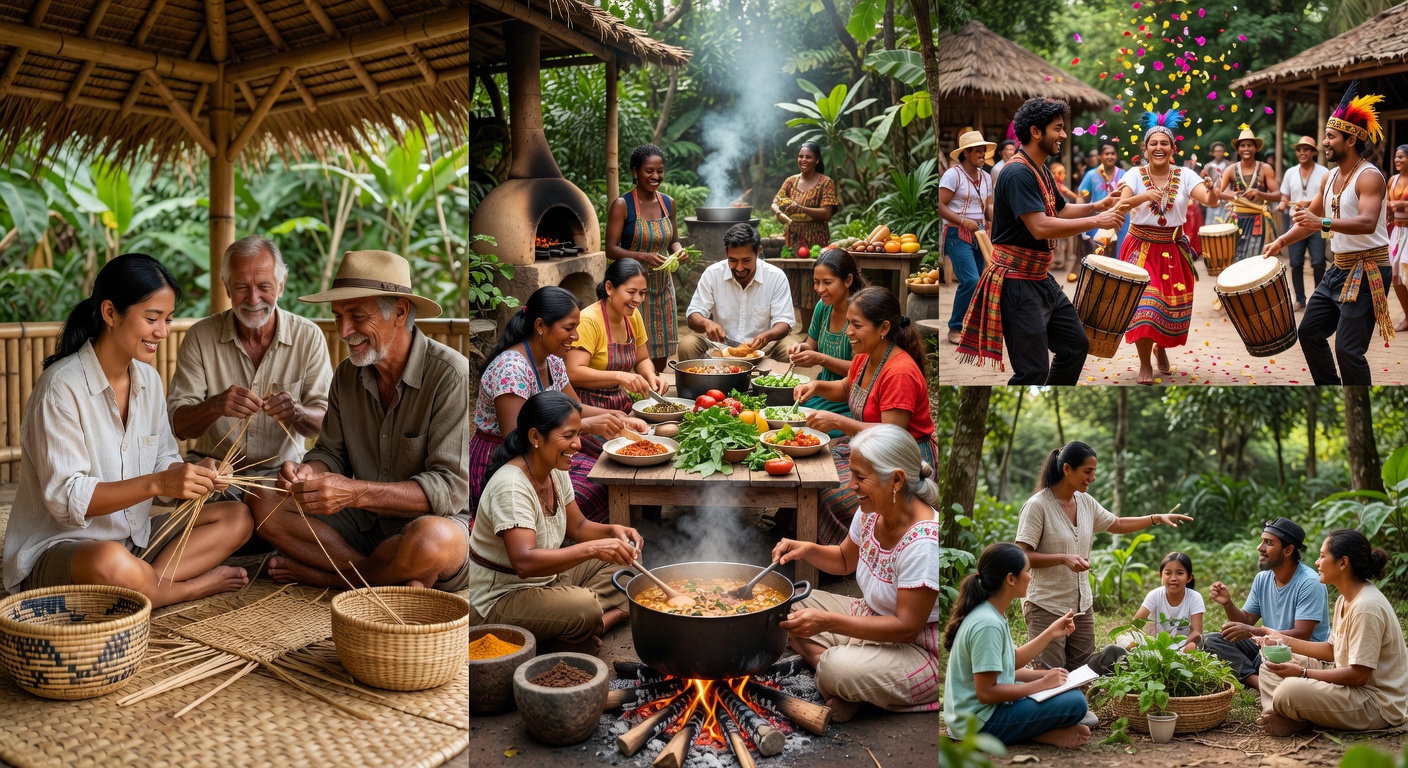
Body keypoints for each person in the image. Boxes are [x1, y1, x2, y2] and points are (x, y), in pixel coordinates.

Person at [2, 254, 253, 605]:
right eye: (152, 318)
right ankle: (186, 588)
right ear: (110, 314)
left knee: (237, 516)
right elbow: (66, 498)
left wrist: (191, 475)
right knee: (110, 561)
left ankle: (144, 585)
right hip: (64, 550)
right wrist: (157, 484)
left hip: (134, 543)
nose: (163, 332)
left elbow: (163, 461)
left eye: (167, 319)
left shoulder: (148, 380)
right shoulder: (61, 387)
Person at [257, 250, 471, 590]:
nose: (344, 330)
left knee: (432, 542)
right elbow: (331, 453)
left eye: (357, 316)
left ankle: (327, 576)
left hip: (426, 526)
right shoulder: (346, 375)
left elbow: (449, 489)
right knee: (262, 499)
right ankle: (384, 577)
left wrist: (355, 493)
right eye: (339, 316)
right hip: (363, 527)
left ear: (400, 312)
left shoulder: (450, 374)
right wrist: (307, 473)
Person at [771, 425, 941, 721]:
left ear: (896, 480)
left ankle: (841, 678)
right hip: (870, 614)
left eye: (860, 477)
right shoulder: (872, 509)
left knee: (837, 669)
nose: (850, 485)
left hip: (918, 649)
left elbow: (906, 628)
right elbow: (844, 559)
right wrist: (807, 549)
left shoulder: (924, 543)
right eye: (851, 474)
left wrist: (829, 623)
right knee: (785, 601)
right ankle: (849, 684)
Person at [954, 98, 1124, 384]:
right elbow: (1040, 227)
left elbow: (1060, 210)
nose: (1064, 135)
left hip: (1039, 277)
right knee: (1032, 371)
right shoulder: (1018, 172)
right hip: (1017, 283)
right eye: (1058, 128)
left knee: (1075, 346)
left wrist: (1098, 206)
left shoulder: (1040, 168)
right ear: (1036, 132)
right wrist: (1097, 222)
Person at [467, 392, 643, 654]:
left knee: (630, 566)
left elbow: (579, 527)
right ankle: (575, 626)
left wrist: (613, 532)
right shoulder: (512, 486)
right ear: (536, 437)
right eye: (568, 436)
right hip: (500, 598)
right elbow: (524, 563)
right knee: (585, 606)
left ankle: (582, 630)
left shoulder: (554, 470)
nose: (578, 445)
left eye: (578, 434)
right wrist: (595, 549)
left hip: (546, 581)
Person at [167, 236, 332, 513]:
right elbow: (178, 425)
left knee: (273, 511)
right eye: (242, 287)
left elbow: (327, 421)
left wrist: (298, 413)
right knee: (224, 515)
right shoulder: (200, 336)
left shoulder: (308, 337)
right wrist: (216, 405)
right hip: (214, 473)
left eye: (264, 287)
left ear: (281, 285)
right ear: (227, 287)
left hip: (282, 476)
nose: (253, 299)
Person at [469, 287, 647, 521]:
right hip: (508, 462)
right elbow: (516, 438)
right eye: (568, 328)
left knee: (609, 477)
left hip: (544, 453)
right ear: (541, 326)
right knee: (593, 492)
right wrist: (586, 426)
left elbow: (575, 408)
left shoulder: (552, 362)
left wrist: (617, 416)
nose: (575, 336)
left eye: (576, 327)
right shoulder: (511, 370)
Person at [1015, 441, 1193, 670]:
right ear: (1067, 469)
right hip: (1046, 605)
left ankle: (1078, 706)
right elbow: (1021, 556)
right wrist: (1063, 558)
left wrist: (1156, 518)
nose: (1093, 478)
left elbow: (1116, 523)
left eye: (1094, 472)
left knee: (1082, 673)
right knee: (1050, 674)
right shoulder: (1037, 506)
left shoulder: (1085, 502)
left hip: (1081, 605)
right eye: (1088, 471)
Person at [1262, 83, 1392, 385]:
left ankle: (1356, 395)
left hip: (1368, 270)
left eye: (1331, 137)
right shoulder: (1331, 176)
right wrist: (1281, 240)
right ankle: (1332, 387)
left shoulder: (1369, 176)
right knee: (1308, 332)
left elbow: (1367, 222)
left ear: (1351, 139)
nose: (1325, 142)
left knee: (1348, 350)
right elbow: (1311, 218)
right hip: (1340, 269)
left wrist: (1321, 224)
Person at [792, 287, 936, 546]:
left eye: (856, 325)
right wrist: (816, 386)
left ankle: (841, 551)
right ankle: (802, 534)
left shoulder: (900, 372)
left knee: (826, 490)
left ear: (883, 328)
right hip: (870, 455)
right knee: (810, 470)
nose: (848, 331)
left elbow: (891, 436)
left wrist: (838, 422)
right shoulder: (865, 357)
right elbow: (848, 388)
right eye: (848, 323)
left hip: (899, 465)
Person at [1255, 529, 1407, 736]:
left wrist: (1303, 673)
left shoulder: (1366, 607)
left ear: (1343, 563)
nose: (1317, 562)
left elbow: (1359, 676)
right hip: (1351, 688)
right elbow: (1331, 650)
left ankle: (1296, 717)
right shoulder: (1345, 599)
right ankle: (1289, 716)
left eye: (1322, 556)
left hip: (1375, 703)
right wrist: (1283, 640)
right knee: (1270, 668)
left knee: (1289, 689)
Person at [942, 542, 1090, 749]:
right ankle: (1039, 734)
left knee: (1071, 695)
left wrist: (1051, 640)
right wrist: (1041, 685)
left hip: (983, 715)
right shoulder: (988, 624)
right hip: (977, 724)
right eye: (1027, 571)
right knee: (1075, 703)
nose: (1030, 577)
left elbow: (1011, 662)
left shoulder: (992, 614)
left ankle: (1038, 732)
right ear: (1011, 579)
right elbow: (986, 693)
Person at [1112, 111, 1219, 385]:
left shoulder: (1185, 175)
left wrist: (1213, 188)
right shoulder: (1135, 174)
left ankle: (1161, 349)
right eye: (1153, 143)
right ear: (1145, 148)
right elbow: (1121, 205)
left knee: (1169, 311)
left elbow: (1210, 200)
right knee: (1145, 307)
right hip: (1140, 248)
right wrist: (1144, 196)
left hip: (1173, 249)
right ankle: (1145, 364)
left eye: (1164, 143)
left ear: (1173, 148)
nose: (1158, 148)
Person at [1202, 517, 1330, 691]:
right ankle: (1257, 679)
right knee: (1214, 639)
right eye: (1262, 541)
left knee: (1275, 655)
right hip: (1269, 646)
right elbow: (1246, 622)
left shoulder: (1309, 582)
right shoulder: (1263, 578)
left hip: (1300, 653)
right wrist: (1228, 604)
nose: (1260, 548)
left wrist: (1256, 633)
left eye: (1268, 543)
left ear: (1288, 550)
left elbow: (1302, 634)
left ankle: (1256, 675)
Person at [564, 259, 669, 457]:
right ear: (610, 288)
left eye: (642, 293)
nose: (637, 299)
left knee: (654, 443)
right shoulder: (589, 320)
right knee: (627, 454)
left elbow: (642, 358)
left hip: (621, 406)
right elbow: (572, 372)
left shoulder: (632, 316)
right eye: (631, 292)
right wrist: (620, 376)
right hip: (589, 410)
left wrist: (651, 376)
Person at [605, 144, 687, 370]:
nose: (656, 176)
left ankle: (655, 385)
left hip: (663, 287)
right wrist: (642, 256)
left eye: (660, 171)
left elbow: (673, 240)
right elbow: (610, 249)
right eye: (649, 171)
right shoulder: (623, 205)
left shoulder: (668, 203)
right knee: (634, 343)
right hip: (633, 287)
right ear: (635, 171)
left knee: (662, 346)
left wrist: (678, 251)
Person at [678, 223, 797, 362]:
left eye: (746, 260)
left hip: (765, 348)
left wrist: (767, 336)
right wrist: (706, 323)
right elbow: (693, 316)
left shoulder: (776, 276)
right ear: (726, 253)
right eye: (733, 260)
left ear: (758, 251)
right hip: (721, 347)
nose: (739, 268)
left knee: (791, 348)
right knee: (687, 345)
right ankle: (701, 384)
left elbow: (784, 322)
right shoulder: (712, 274)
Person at [1088, 551, 1205, 674]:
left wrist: (1177, 649)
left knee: (1192, 647)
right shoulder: (1155, 595)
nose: (1173, 578)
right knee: (1124, 649)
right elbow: (1136, 624)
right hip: (1159, 647)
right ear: (1161, 575)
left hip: (1185, 645)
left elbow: (1197, 632)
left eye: (1180, 573)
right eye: (1168, 573)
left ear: (1189, 577)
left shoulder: (1194, 597)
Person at [786, 249, 865, 424]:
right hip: (822, 391)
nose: (820, 289)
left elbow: (863, 370)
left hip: (850, 399)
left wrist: (821, 359)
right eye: (816, 282)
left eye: (827, 282)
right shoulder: (823, 307)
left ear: (848, 280)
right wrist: (801, 350)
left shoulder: (862, 316)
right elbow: (811, 345)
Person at [940, 131, 996, 346]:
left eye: (984, 150)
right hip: (957, 233)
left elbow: (988, 205)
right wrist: (963, 221)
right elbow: (940, 205)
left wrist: (992, 223)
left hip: (981, 233)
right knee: (970, 279)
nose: (982, 154)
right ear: (966, 153)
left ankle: (969, 326)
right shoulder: (953, 175)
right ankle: (954, 327)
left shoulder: (985, 176)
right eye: (978, 150)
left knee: (980, 281)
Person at [1276, 136, 1331, 310]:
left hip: (1316, 223)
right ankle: (1300, 299)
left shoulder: (1324, 172)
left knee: (1318, 262)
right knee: (1295, 263)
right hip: (1296, 221)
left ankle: (1319, 298)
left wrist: (1309, 205)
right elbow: (1285, 195)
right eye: (1299, 149)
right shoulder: (1290, 172)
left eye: (1306, 149)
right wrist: (1283, 203)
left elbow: (1327, 198)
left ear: (1314, 151)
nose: (1302, 152)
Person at [1215, 126, 1280, 265]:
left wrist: (1260, 193)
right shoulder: (1231, 169)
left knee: (1255, 261)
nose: (1246, 149)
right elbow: (1216, 192)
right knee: (1234, 260)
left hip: (1259, 220)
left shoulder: (1265, 169)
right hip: (1235, 219)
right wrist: (1230, 196)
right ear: (1238, 149)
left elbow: (1278, 195)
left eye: (1249, 145)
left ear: (1255, 148)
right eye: (1243, 145)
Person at [772, 140, 840, 250]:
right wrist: (778, 212)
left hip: (817, 240)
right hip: (792, 238)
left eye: (808, 157)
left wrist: (800, 208)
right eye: (801, 156)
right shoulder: (790, 181)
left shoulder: (826, 182)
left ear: (817, 160)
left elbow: (826, 213)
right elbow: (774, 204)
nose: (803, 160)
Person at [1079, 143, 1131, 269]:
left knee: (1119, 258)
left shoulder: (1125, 175)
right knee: (1098, 260)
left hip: (1121, 220)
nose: (1110, 156)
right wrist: (1080, 218)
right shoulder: (1091, 175)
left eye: (1113, 153)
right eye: (1107, 153)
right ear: (1100, 156)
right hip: (1098, 220)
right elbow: (1080, 196)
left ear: (1117, 156)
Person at [1386, 144, 1408, 332]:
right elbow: (1387, 205)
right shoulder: (1392, 180)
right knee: (1396, 277)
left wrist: (1404, 203)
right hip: (1397, 232)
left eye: (1402, 157)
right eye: (1396, 157)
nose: (1398, 160)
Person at [1049, 163, 1081, 276]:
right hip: (1057, 216)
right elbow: (1074, 196)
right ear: (1054, 175)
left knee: (1061, 240)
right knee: (1059, 240)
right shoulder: (1056, 187)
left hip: (1059, 216)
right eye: (1061, 173)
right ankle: (1058, 261)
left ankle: (1059, 261)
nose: (1064, 175)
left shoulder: (1057, 186)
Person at [1201, 141, 1232, 224]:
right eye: (1217, 151)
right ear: (1213, 153)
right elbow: (1205, 183)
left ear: (1224, 152)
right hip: (1213, 197)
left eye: (1220, 151)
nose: (1218, 153)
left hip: (1226, 197)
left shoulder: (1229, 165)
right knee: (1212, 223)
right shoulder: (1208, 166)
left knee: (1225, 222)